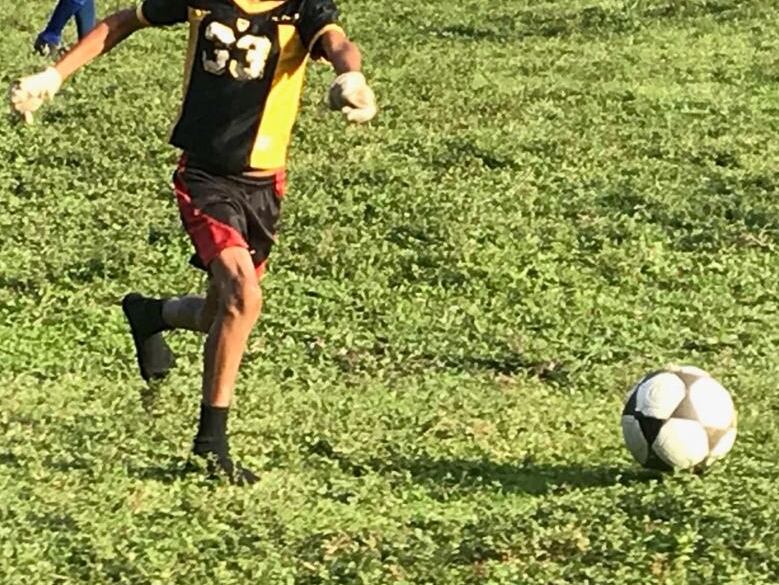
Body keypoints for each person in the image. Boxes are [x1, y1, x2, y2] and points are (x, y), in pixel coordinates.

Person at [10, 0, 377, 485]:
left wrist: (350, 79)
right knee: (243, 295)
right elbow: (124, 21)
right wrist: (53, 76)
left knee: (218, 314)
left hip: (265, 187)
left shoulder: (302, 7)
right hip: (206, 175)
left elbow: (337, 43)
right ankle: (210, 447)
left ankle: (150, 314)